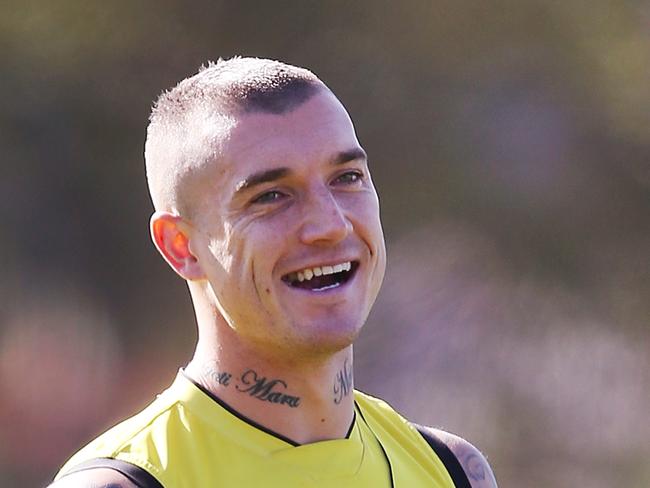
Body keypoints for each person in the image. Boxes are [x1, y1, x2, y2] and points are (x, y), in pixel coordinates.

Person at [50, 57, 497, 487]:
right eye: (270, 196)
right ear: (181, 246)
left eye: (347, 177)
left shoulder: (452, 471)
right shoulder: (127, 481)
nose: (330, 225)